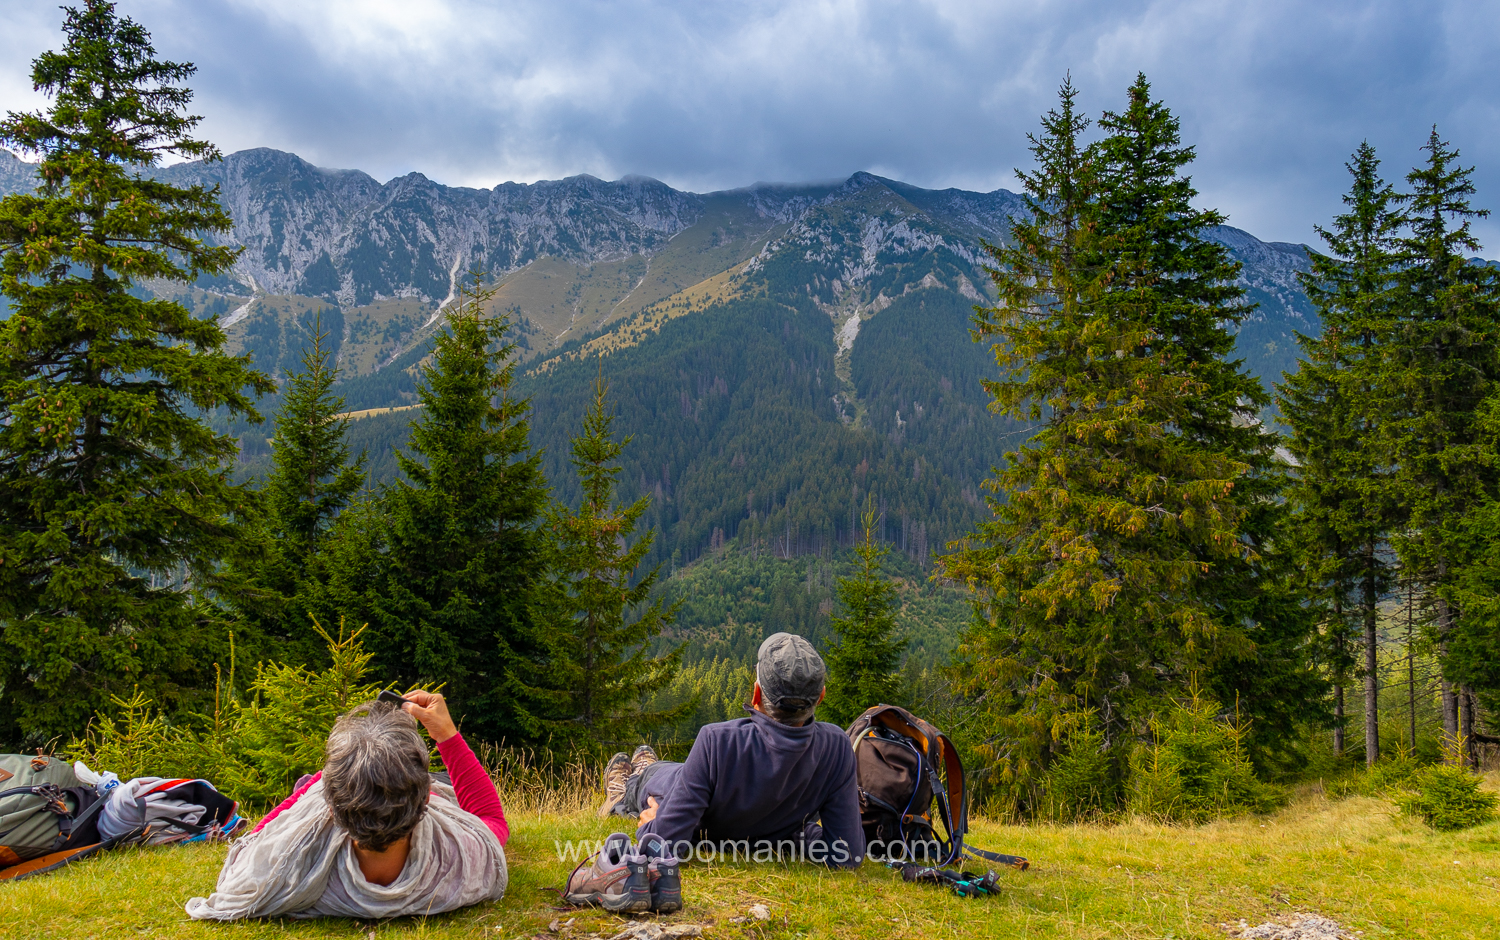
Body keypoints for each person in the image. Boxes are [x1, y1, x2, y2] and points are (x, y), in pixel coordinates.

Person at [186, 692, 508, 920]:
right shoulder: (464, 861)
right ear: (426, 798)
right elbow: (490, 821)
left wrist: (326, 778)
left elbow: (256, 839)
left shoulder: (277, 873)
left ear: (328, 807)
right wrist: (446, 734)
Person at [599, 633, 864, 869]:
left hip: (668, 785)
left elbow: (662, 847)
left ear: (757, 694)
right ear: (820, 697)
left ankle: (623, 791)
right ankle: (644, 765)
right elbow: (848, 854)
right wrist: (794, 834)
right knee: (671, 769)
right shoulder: (838, 747)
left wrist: (651, 823)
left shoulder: (717, 741)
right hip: (712, 796)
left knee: (649, 777)